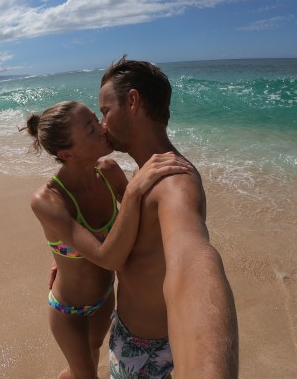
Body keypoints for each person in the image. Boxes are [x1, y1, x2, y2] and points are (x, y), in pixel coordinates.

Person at [26, 101, 193, 379]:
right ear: (67, 154)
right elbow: (108, 257)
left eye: (97, 119)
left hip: (104, 299)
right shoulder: (47, 199)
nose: (103, 128)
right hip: (69, 311)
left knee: (90, 357)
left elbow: (140, 224)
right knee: (85, 375)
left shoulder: (109, 171)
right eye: (91, 129)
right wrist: (134, 190)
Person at [99, 56, 239, 378]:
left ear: (132, 101)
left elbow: (192, 259)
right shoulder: (147, 171)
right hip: (137, 337)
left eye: (105, 111)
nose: (102, 123)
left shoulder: (174, 181)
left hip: (145, 353)